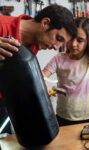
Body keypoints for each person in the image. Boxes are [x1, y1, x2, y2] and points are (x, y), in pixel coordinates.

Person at [0, 4, 77, 133]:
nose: (55, 47)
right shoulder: (2, 25)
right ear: (45, 23)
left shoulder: (33, 46)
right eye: (58, 38)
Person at [42, 17, 89, 126]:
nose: (73, 44)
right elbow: (40, 76)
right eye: (71, 38)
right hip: (63, 117)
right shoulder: (58, 58)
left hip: (88, 117)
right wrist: (43, 86)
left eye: (80, 40)